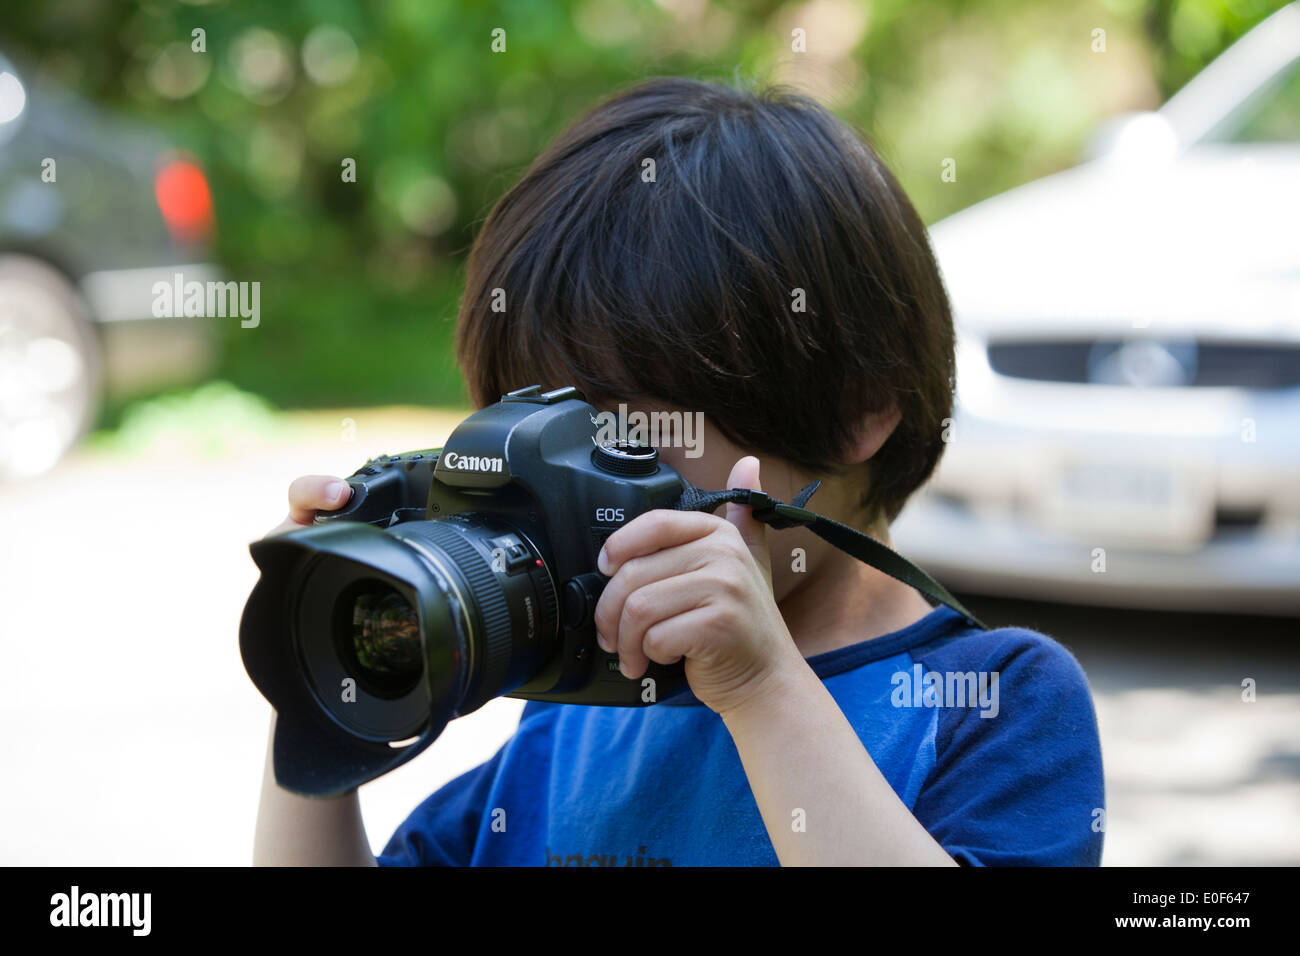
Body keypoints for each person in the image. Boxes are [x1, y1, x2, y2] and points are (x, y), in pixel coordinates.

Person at [253, 77, 1105, 866]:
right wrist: (321, 692)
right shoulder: (577, 710)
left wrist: (761, 687)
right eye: (534, 430)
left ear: (857, 405)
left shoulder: (992, 701)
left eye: (620, 441)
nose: (561, 493)